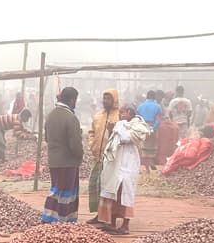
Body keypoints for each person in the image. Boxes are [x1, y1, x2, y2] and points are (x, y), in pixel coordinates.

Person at [97, 104, 151, 235]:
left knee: (126, 192)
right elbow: (113, 138)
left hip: (128, 162)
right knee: (113, 191)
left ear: (130, 113)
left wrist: (117, 129)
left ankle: (125, 225)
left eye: (123, 112)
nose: (121, 115)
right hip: (116, 162)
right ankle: (112, 222)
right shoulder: (120, 124)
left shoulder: (138, 125)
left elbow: (127, 138)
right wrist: (112, 130)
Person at [41, 87, 84, 223]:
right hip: (67, 162)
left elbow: (47, 137)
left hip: (54, 161)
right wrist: (79, 155)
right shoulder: (71, 118)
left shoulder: (51, 115)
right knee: (66, 192)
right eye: (75, 100)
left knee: (57, 189)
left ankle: (52, 217)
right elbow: (75, 145)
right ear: (72, 100)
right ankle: (61, 220)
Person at [86, 90, 120, 223]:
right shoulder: (98, 115)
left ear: (114, 100)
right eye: (104, 98)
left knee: (107, 188)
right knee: (95, 186)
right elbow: (91, 132)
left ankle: (108, 216)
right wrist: (92, 144)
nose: (105, 101)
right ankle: (98, 215)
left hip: (111, 159)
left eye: (108, 98)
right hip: (97, 158)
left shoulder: (119, 116)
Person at [136, 91, 163, 172]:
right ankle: (151, 163)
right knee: (152, 147)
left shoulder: (140, 107)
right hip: (152, 126)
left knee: (143, 147)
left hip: (142, 127)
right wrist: (153, 128)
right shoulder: (158, 107)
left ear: (146, 97)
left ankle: (147, 167)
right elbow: (158, 120)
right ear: (154, 97)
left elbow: (137, 118)